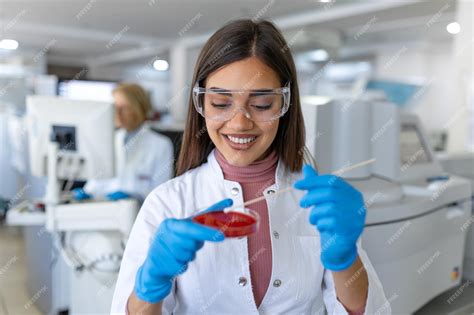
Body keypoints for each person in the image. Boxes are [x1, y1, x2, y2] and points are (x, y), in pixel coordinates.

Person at [111, 20, 390, 314]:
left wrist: (346, 259)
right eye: (220, 103)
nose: (240, 123)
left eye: (261, 104)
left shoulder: (315, 202)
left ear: (285, 105)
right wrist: (151, 283)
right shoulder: (167, 203)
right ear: (202, 104)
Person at [73, 83, 174, 203]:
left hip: (138, 215)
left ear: (140, 109)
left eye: (124, 108)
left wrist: (135, 196)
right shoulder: (107, 141)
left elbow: (161, 193)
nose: (117, 113)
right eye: (115, 107)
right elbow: (96, 183)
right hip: (105, 211)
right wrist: (87, 192)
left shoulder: (160, 144)